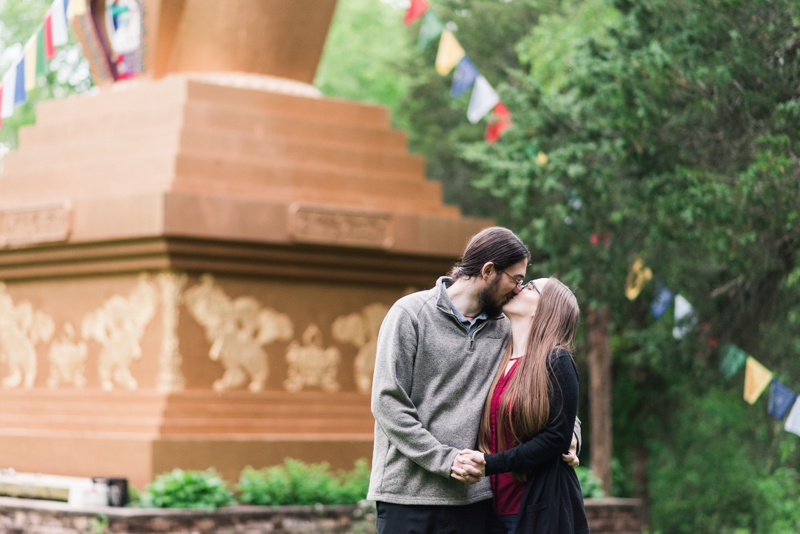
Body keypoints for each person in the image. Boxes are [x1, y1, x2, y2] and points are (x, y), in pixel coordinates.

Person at [368, 227, 581, 534]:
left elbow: (549, 386)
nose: (518, 289)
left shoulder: (507, 328)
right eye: (516, 279)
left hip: (475, 502)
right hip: (407, 495)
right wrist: (445, 460)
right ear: (489, 271)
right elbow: (387, 402)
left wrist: (571, 434)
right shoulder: (410, 314)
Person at [453, 277, 589, 534]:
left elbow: (557, 436)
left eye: (528, 287)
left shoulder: (556, 360)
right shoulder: (500, 360)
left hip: (539, 509)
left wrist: (489, 463)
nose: (518, 287)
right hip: (493, 510)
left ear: (542, 307)